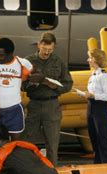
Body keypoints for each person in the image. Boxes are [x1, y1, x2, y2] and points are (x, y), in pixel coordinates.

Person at [21, 32, 74, 165]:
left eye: (50, 50)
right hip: (34, 104)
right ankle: (27, 169)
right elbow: (21, 85)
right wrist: (31, 84)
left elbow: (68, 84)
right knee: (27, 141)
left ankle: (52, 172)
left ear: (54, 47)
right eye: (44, 49)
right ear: (39, 45)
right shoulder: (28, 62)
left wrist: (53, 86)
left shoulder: (58, 61)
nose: (46, 52)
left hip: (52, 105)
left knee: (52, 144)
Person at [0, 37, 33, 140]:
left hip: (14, 110)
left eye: (0, 55)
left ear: (10, 54)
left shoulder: (23, 63)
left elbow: (35, 75)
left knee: (15, 143)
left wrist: (36, 78)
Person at [76, 48, 107, 163]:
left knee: (102, 137)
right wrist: (83, 94)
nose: (88, 60)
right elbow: (92, 93)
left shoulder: (103, 76)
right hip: (91, 107)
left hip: (100, 108)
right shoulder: (93, 75)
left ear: (96, 59)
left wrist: (92, 95)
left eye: (90, 58)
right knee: (94, 137)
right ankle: (98, 162)